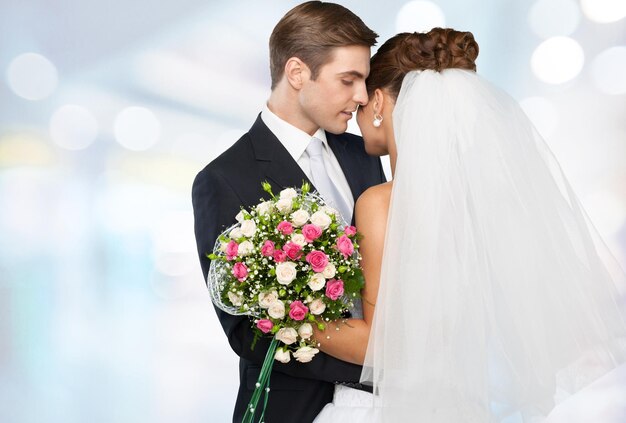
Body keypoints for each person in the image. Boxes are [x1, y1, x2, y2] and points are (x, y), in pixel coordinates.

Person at [313, 28, 626, 422]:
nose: (357, 109)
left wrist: (287, 317)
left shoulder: (382, 203)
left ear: (378, 101)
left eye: (363, 101)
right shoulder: (490, 202)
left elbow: (382, 346)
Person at [191, 2, 386, 422]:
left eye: (364, 81)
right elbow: (247, 331)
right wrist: (376, 367)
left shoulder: (362, 154)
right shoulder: (222, 178)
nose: (361, 97)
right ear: (297, 73)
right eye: (348, 80)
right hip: (289, 410)